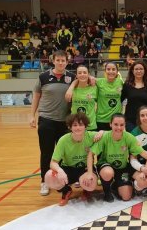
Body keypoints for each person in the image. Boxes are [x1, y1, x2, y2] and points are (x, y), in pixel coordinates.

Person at [29, 50, 76, 196]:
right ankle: (44, 181)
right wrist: (32, 115)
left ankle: (60, 180)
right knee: (47, 153)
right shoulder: (43, 77)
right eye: (58, 60)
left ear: (67, 62)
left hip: (64, 122)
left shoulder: (71, 77)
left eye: (64, 60)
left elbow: (86, 79)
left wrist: (74, 84)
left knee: (63, 154)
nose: (61, 63)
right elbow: (36, 97)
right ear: (53, 60)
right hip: (47, 120)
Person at [88, 113, 147, 202]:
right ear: (110, 124)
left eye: (121, 125)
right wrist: (90, 172)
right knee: (108, 172)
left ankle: (116, 185)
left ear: (125, 125)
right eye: (116, 124)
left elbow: (142, 152)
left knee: (127, 196)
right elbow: (91, 154)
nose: (119, 127)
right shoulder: (104, 136)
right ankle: (107, 192)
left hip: (122, 167)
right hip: (107, 166)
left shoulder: (128, 137)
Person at [44, 113, 101, 206]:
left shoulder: (91, 136)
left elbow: (108, 134)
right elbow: (53, 162)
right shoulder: (63, 140)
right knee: (50, 176)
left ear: (85, 126)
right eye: (75, 125)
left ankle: (86, 190)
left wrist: (101, 131)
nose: (78, 127)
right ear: (70, 127)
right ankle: (66, 191)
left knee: (91, 184)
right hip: (68, 168)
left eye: (81, 124)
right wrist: (59, 170)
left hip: (84, 168)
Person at [121, 60, 147, 132]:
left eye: (141, 69)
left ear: (145, 71)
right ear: (132, 71)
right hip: (130, 121)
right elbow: (120, 100)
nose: (138, 71)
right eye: (136, 69)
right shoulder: (127, 85)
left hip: (146, 121)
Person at [95, 62, 123, 131]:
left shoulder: (120, 82)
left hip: (116, 120)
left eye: (113, 69)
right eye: (108, 69)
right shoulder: (98, 82)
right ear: (105, 71)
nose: (111, 71)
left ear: (117, 71)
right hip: (101, 120)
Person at [70, 65, 98, 130]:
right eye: (79, 73)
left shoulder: (95, 88)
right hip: (76, 126)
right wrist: (72, 85)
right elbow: (66, 98)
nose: (82, 74)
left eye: (85, 72)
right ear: (76, 75)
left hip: (90, 126)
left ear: (89, 74)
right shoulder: (72, 89)